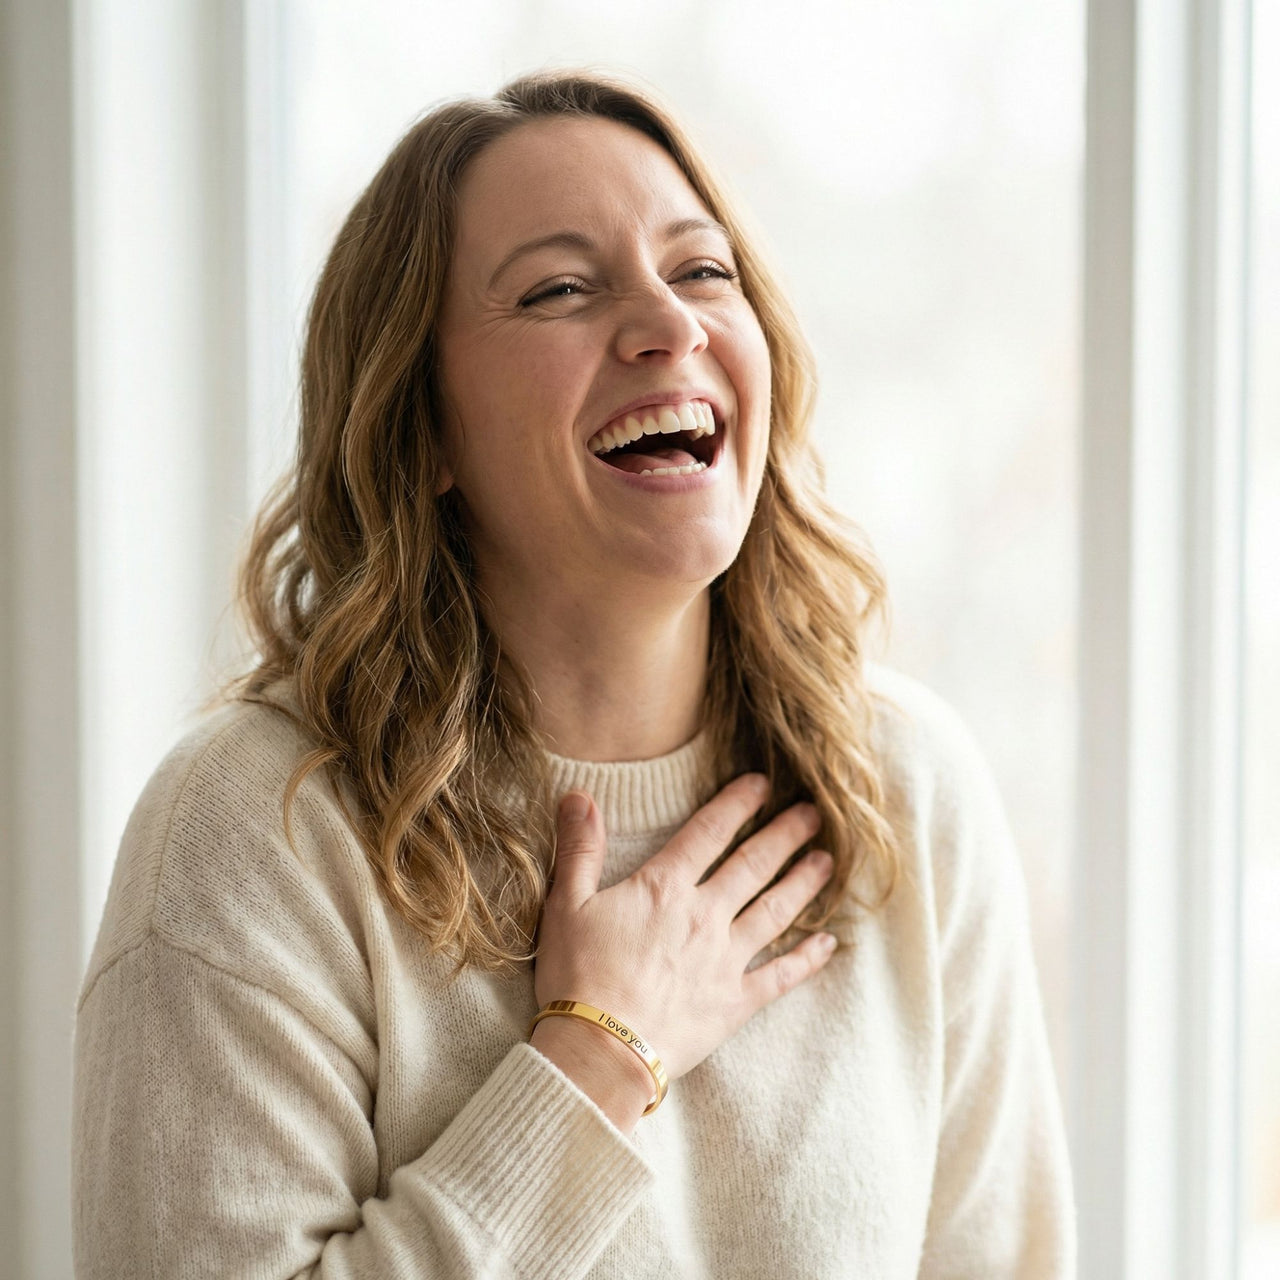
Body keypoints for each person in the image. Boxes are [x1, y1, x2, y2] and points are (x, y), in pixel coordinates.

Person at [72, 70, 1076, 1278]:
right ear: (422, 424)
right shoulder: (252, 831)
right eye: (558, 288)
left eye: (702, 271)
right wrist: (598, 1055)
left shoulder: (908, 790)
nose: (671, 324)